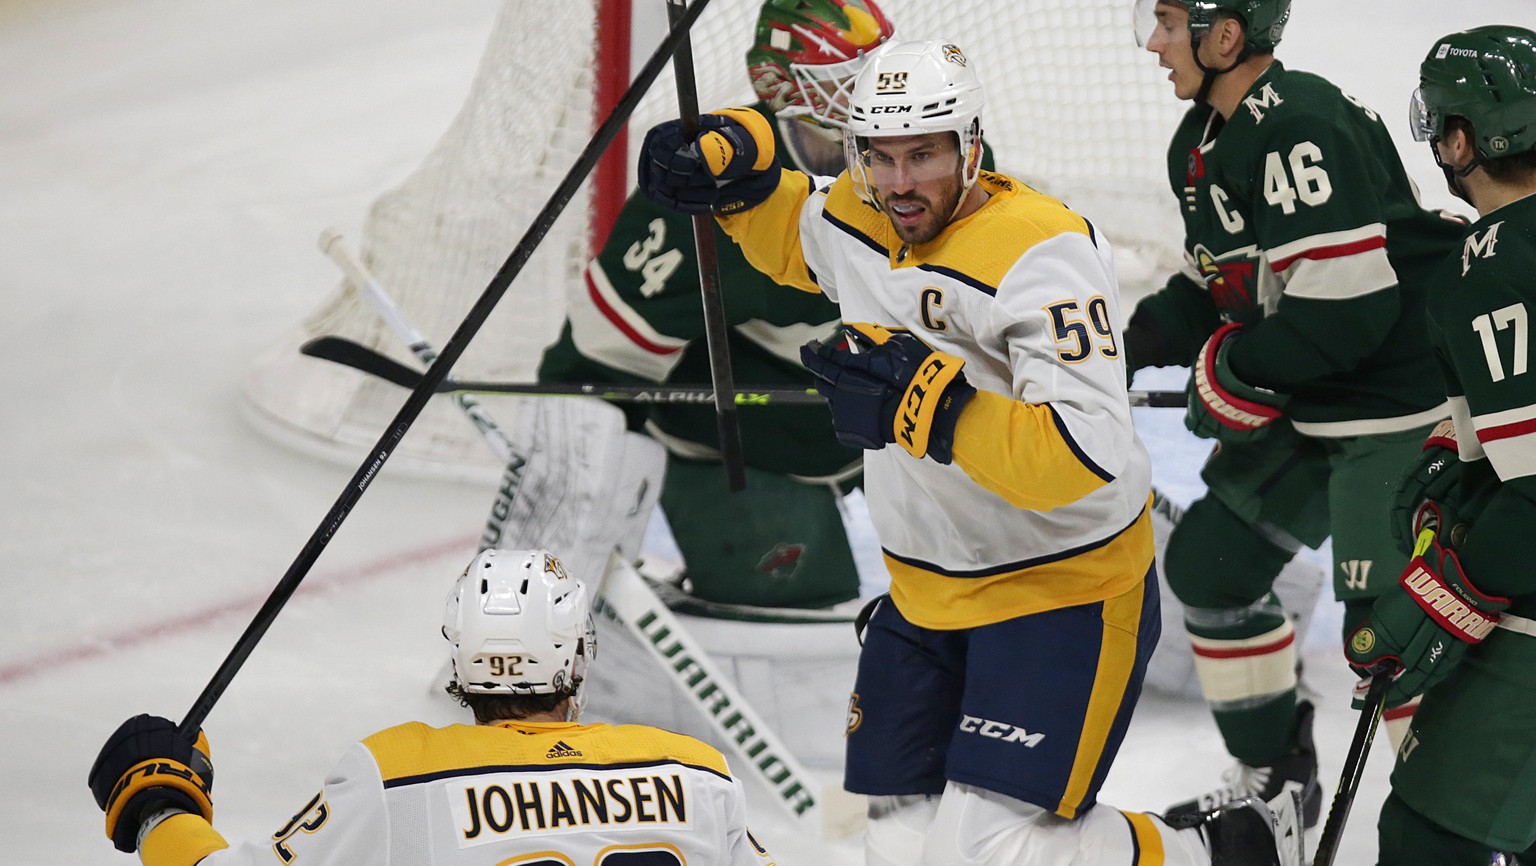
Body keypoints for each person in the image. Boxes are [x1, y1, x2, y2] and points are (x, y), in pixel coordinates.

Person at [638, 37, 1302, 866]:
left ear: (970, 145)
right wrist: (736, 159)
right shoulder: (861, 213)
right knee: (897, 841)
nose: (901, 181)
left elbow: (1085, 453)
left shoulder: (1043, 253)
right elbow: (792, 228)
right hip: (924, 593)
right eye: (879, 157)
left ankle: (1229, 849)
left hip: (1061, 588)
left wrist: (932, 405)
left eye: (923, 154)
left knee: (990, 852)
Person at [1129, 0, 1468, 829]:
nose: (1151, 41)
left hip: (1394, 404)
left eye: (1169, 22)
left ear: (1226, 35)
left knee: (1389, 635)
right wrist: (1128, 340)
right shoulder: (1202, 139)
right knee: (1210, 568)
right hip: (1319, 392)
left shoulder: (1299, 126)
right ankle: (1276, 778)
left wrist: (1229, 373)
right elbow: (1233, 286)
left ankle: (1455, 830)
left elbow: (1342, 318)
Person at [537, 0, 902, 611]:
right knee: (793, 597)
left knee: (1011, 545)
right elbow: (595, 360)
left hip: (892, 421)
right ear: (779, 85)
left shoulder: (937, 152)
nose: (882, 100)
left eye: (883, 71)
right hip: (748, 448)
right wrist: (566, 461)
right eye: (847, 82)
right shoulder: (705, 196)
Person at [87, 548, 775, 866]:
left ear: (461, 659)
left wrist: (158, 808)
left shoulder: (396, 774)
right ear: (577, 656)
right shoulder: (698, 773)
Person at [1344, 25, 1536, 866]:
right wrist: (1456, 454)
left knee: (1428, 831)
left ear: (1460, 139)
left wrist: (1452, 588)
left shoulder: (1489, 268)